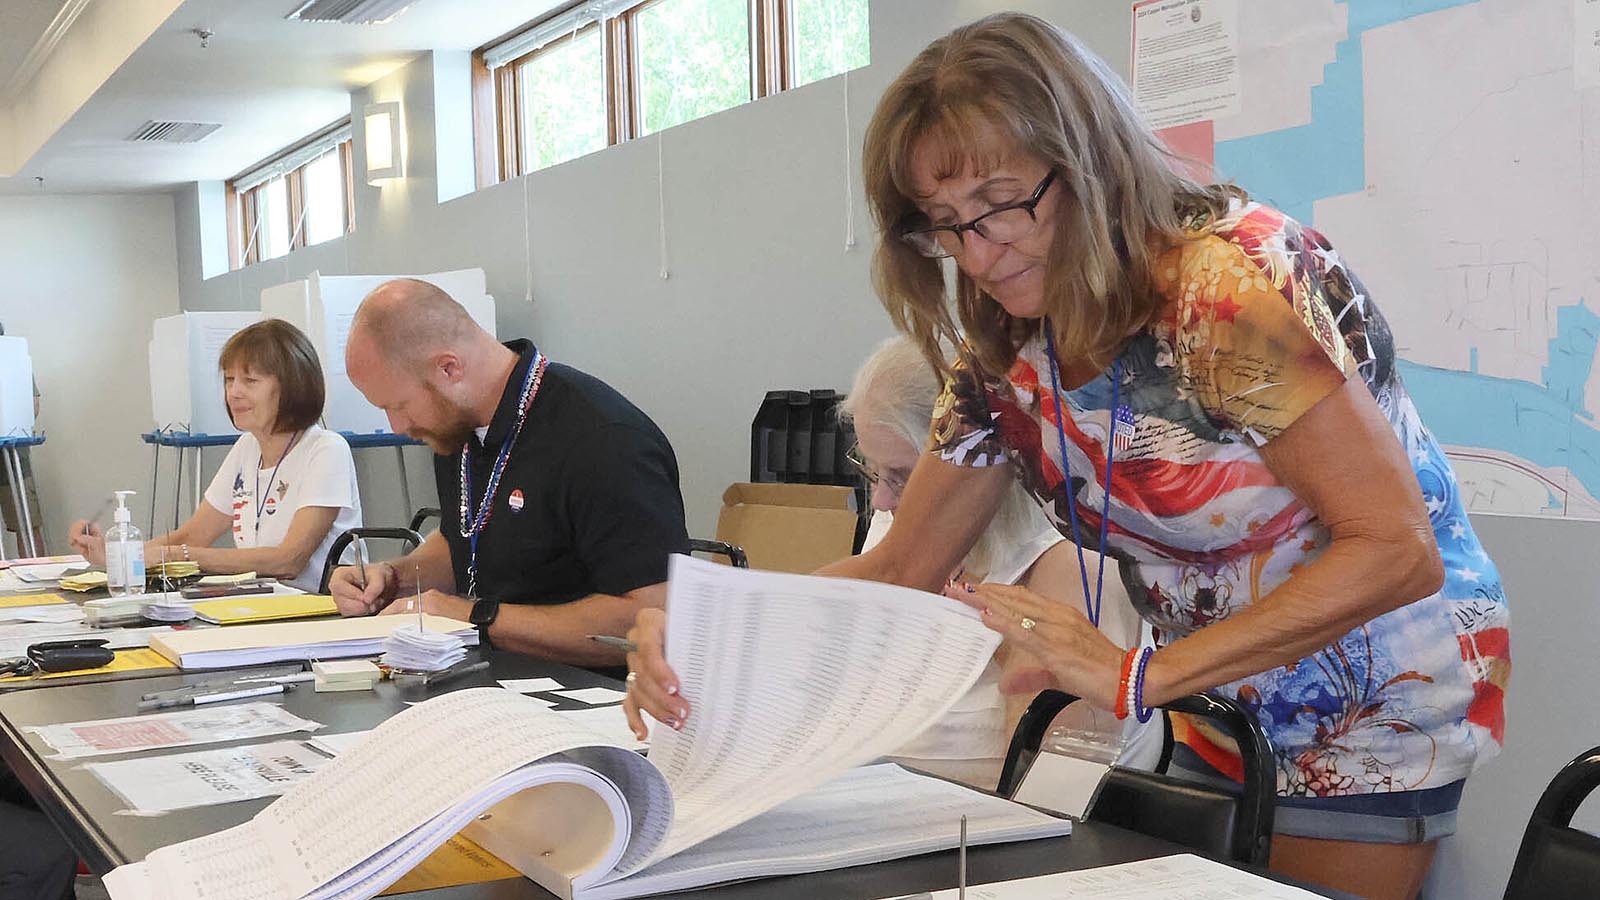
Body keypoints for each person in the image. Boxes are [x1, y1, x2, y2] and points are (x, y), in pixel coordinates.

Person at [624, 14, 1509, 900]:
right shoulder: (1006, 346)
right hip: (1206, 697)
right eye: (944, 225)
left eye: (1002, 204)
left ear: (1089, 160)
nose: (978, 253)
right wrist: (713, 628)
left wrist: (1142, 674)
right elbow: (903, 564)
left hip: (1368, 695)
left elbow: (1395, 548)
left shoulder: (1228, 292)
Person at [845, 336, 1160, 789]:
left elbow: (1050, 786)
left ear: (969, 467)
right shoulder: (897, 518)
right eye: (872, 471)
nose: (880, 498)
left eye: (900, 477)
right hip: (882, 800)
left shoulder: (1070, 559)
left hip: (992, 829)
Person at [328, 279, 688, 672]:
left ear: (449, 367)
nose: (397, 425)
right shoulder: (456, 426)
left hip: (590, 697)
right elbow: (463, 542)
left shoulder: (604, 439)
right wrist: (393, 578)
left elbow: (653, 619)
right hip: (488, 676)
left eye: (399, 405)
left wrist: (475, 616)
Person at [69, 319, 361, 593]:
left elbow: (288, 561)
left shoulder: (325, 449)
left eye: (250, 381)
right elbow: (191, 536)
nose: (233, 392)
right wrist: (116, 553)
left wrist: (178, 556)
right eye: (229, 379)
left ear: (291, 386)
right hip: (261, 606)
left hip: (315, 611)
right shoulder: (247, 448)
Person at [0, 321, 46, 557]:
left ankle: (36, 580)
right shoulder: (14, 359)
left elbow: (32, 405)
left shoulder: (13, 360)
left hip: (14, 453)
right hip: (14, 450)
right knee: (26, 524)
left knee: (26, 523)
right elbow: (33, 406)